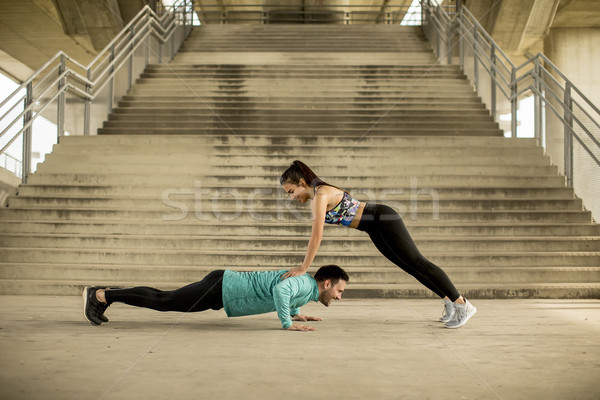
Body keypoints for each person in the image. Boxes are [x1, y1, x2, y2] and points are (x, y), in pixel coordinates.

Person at [279, 160, 476, 329]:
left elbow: (316, 236)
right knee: (411, 267)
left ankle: (462, 304)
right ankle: (448, 300)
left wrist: (304, 268)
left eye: (291, 191)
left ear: (302, 182)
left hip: (383, 219)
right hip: (374, 228)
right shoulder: (317, 196)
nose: (292, 197)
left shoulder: (321, 195)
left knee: (419, 262)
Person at [82, 264, 348, 332]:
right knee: (164, 301)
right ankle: (101, 295)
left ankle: (107, 294)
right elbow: (281, 290)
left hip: (223, 290)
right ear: (327, 283)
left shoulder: (306, 287)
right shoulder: (304, 281)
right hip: (222, 287)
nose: (338, 297)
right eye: (339, 291)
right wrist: (288, 324)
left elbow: (288, 292)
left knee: (165, 300)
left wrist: (294, 312)